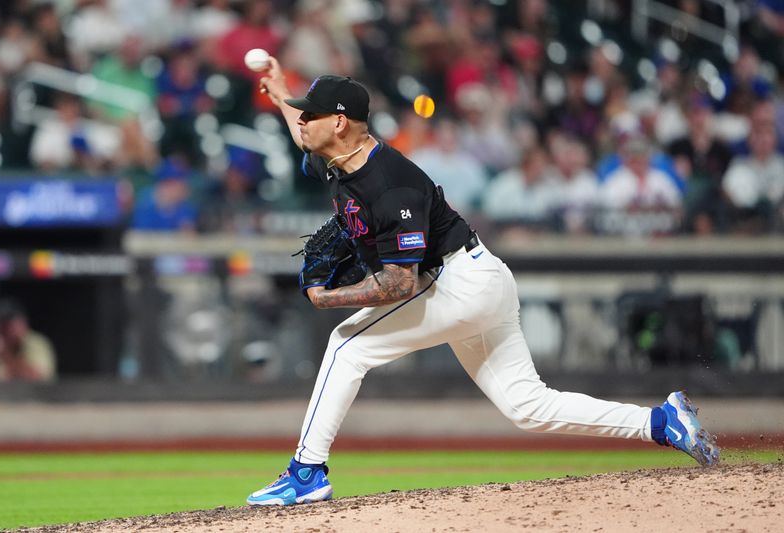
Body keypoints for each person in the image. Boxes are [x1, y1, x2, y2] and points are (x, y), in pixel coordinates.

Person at [246, 58, 720, 506]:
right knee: (528, 406)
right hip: (475, 278)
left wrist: (327, 298)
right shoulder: (336, 155)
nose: (301, 122)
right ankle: (661, 422)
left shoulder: (390, 184)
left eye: (312, 115)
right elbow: (303, 137)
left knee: (347, 346)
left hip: (459, 282)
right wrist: (281, 88)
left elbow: (399, 285)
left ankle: (307, 472)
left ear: (341, 123)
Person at [0, 299, 57, 383]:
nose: (5, 329)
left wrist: (4, 355)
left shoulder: (35, 342)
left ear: (22, 323)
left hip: (36, 394)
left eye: (9, 324)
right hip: (4, 394)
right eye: (2, 324)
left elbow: (37, 377)